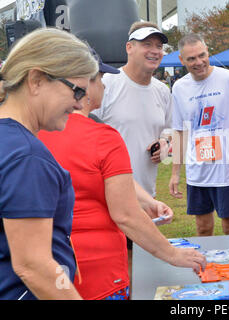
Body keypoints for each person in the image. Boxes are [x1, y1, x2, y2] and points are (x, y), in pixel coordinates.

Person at [39, 48, 206, 300]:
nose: (105, 86)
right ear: (85, 84)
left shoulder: (35, 132)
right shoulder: (103, 137)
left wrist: (148, 201)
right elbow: (125, 215)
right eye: (101, 79)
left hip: (45, 269)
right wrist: (172, 254)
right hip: (98, 274)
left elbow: (111, 179)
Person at [0, 28, 98, 300]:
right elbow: (34, 266)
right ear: (36, 80)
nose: (80, 105)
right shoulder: (27, 156)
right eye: (77, 91)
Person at [91, 21, 173, 266]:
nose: (155, 50)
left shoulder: (162, 90)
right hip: (107, 199)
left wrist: (166, 145)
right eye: (147, 44)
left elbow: (170, 134)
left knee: (141, 268)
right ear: (129, 47)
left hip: (147, 197)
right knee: (117, 267)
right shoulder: (108, 84)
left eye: (159, 46)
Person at [169, 33, 229, 237]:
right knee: (203, 228)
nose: (199, 62)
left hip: (227, 170)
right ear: (182, 60)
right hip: (197, 171)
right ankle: (208, 268)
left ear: (208, 52)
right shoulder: (179, 87)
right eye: (191, 58)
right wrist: (174, 173)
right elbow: (179, 132)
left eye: (202, 55)